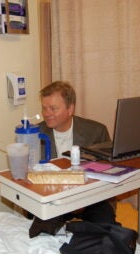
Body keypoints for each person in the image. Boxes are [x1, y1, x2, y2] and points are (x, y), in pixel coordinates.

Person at [29, 81, 118, 238]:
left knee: (105, 230)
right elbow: (29, 175)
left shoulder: (96, 132)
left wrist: (80, 200)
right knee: (42, 234)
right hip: (52, 200)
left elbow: (107, 172)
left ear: (70, 109)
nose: (47, 113)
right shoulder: (35, 135)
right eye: (44, 108)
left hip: (90, 198)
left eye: (53, 108)